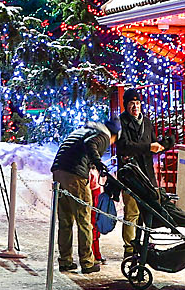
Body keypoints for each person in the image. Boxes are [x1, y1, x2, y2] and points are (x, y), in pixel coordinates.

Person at [50, 118, 118, 273]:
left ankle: (65, 260)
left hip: (58, 171)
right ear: (114, 135)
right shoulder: (103, 136)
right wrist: (98, 162)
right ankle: (87, 262)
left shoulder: (84, 130)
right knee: (84, 219)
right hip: (75, 175)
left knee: (65, 219)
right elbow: (90, 144)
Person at [115, 89, 162, 249]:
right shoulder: (120, 122)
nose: (135, 107)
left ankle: (144, 241)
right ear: (126, 105)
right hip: (131, 174)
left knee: (147, 210)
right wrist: (148, 147)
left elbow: (154, 143)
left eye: (137, 103)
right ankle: (130, 246)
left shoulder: (147, 122)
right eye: (131, 103)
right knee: (132, 212)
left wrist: (165, 144)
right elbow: (124, 146)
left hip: (147, 174)